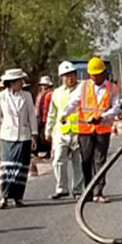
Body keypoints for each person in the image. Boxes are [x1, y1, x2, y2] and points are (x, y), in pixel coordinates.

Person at [63, 56, 122, 202]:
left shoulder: (112, 88)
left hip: (102, 130)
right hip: (85, 130)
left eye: (97, 74)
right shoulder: (83, 87)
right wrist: (65, 114)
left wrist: (102, 117)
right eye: (92, 75)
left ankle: (98, 192)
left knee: (99, 161)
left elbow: (116, 108)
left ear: (103, 73)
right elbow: (73, 102)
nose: (95, 77)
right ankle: (88, 191)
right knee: (86, 161)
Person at [0, 68, 39, 208]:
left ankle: (18, 197)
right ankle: (4, 196)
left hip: (23, 136)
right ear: (11, 82)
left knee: (21, 167)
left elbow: (31, 116)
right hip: (7, 136)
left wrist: (34, 135)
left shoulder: (27, 96)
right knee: (7, 167)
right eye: (19, 81)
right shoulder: (0, 97)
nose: (21, 83)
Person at [45, 60, 84, 199]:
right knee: (58, 160)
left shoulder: (83, 89)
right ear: (61, 77)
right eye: (66, 75)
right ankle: (62, 188)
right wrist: (48, 130)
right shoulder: (56, 93)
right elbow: (52, 113)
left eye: (72, 74)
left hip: (79, 131)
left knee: (78, 162)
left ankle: (78, 190)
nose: (70, 78)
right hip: (61, 132)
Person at [35, 75, 54, 156]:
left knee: (46, 134)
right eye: (42, 85)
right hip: (40, 116)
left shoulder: (50, 94)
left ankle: (48, 151)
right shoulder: (40, 94)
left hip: (46, 116)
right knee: (40, 134)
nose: (43, 86)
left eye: (44, 85)